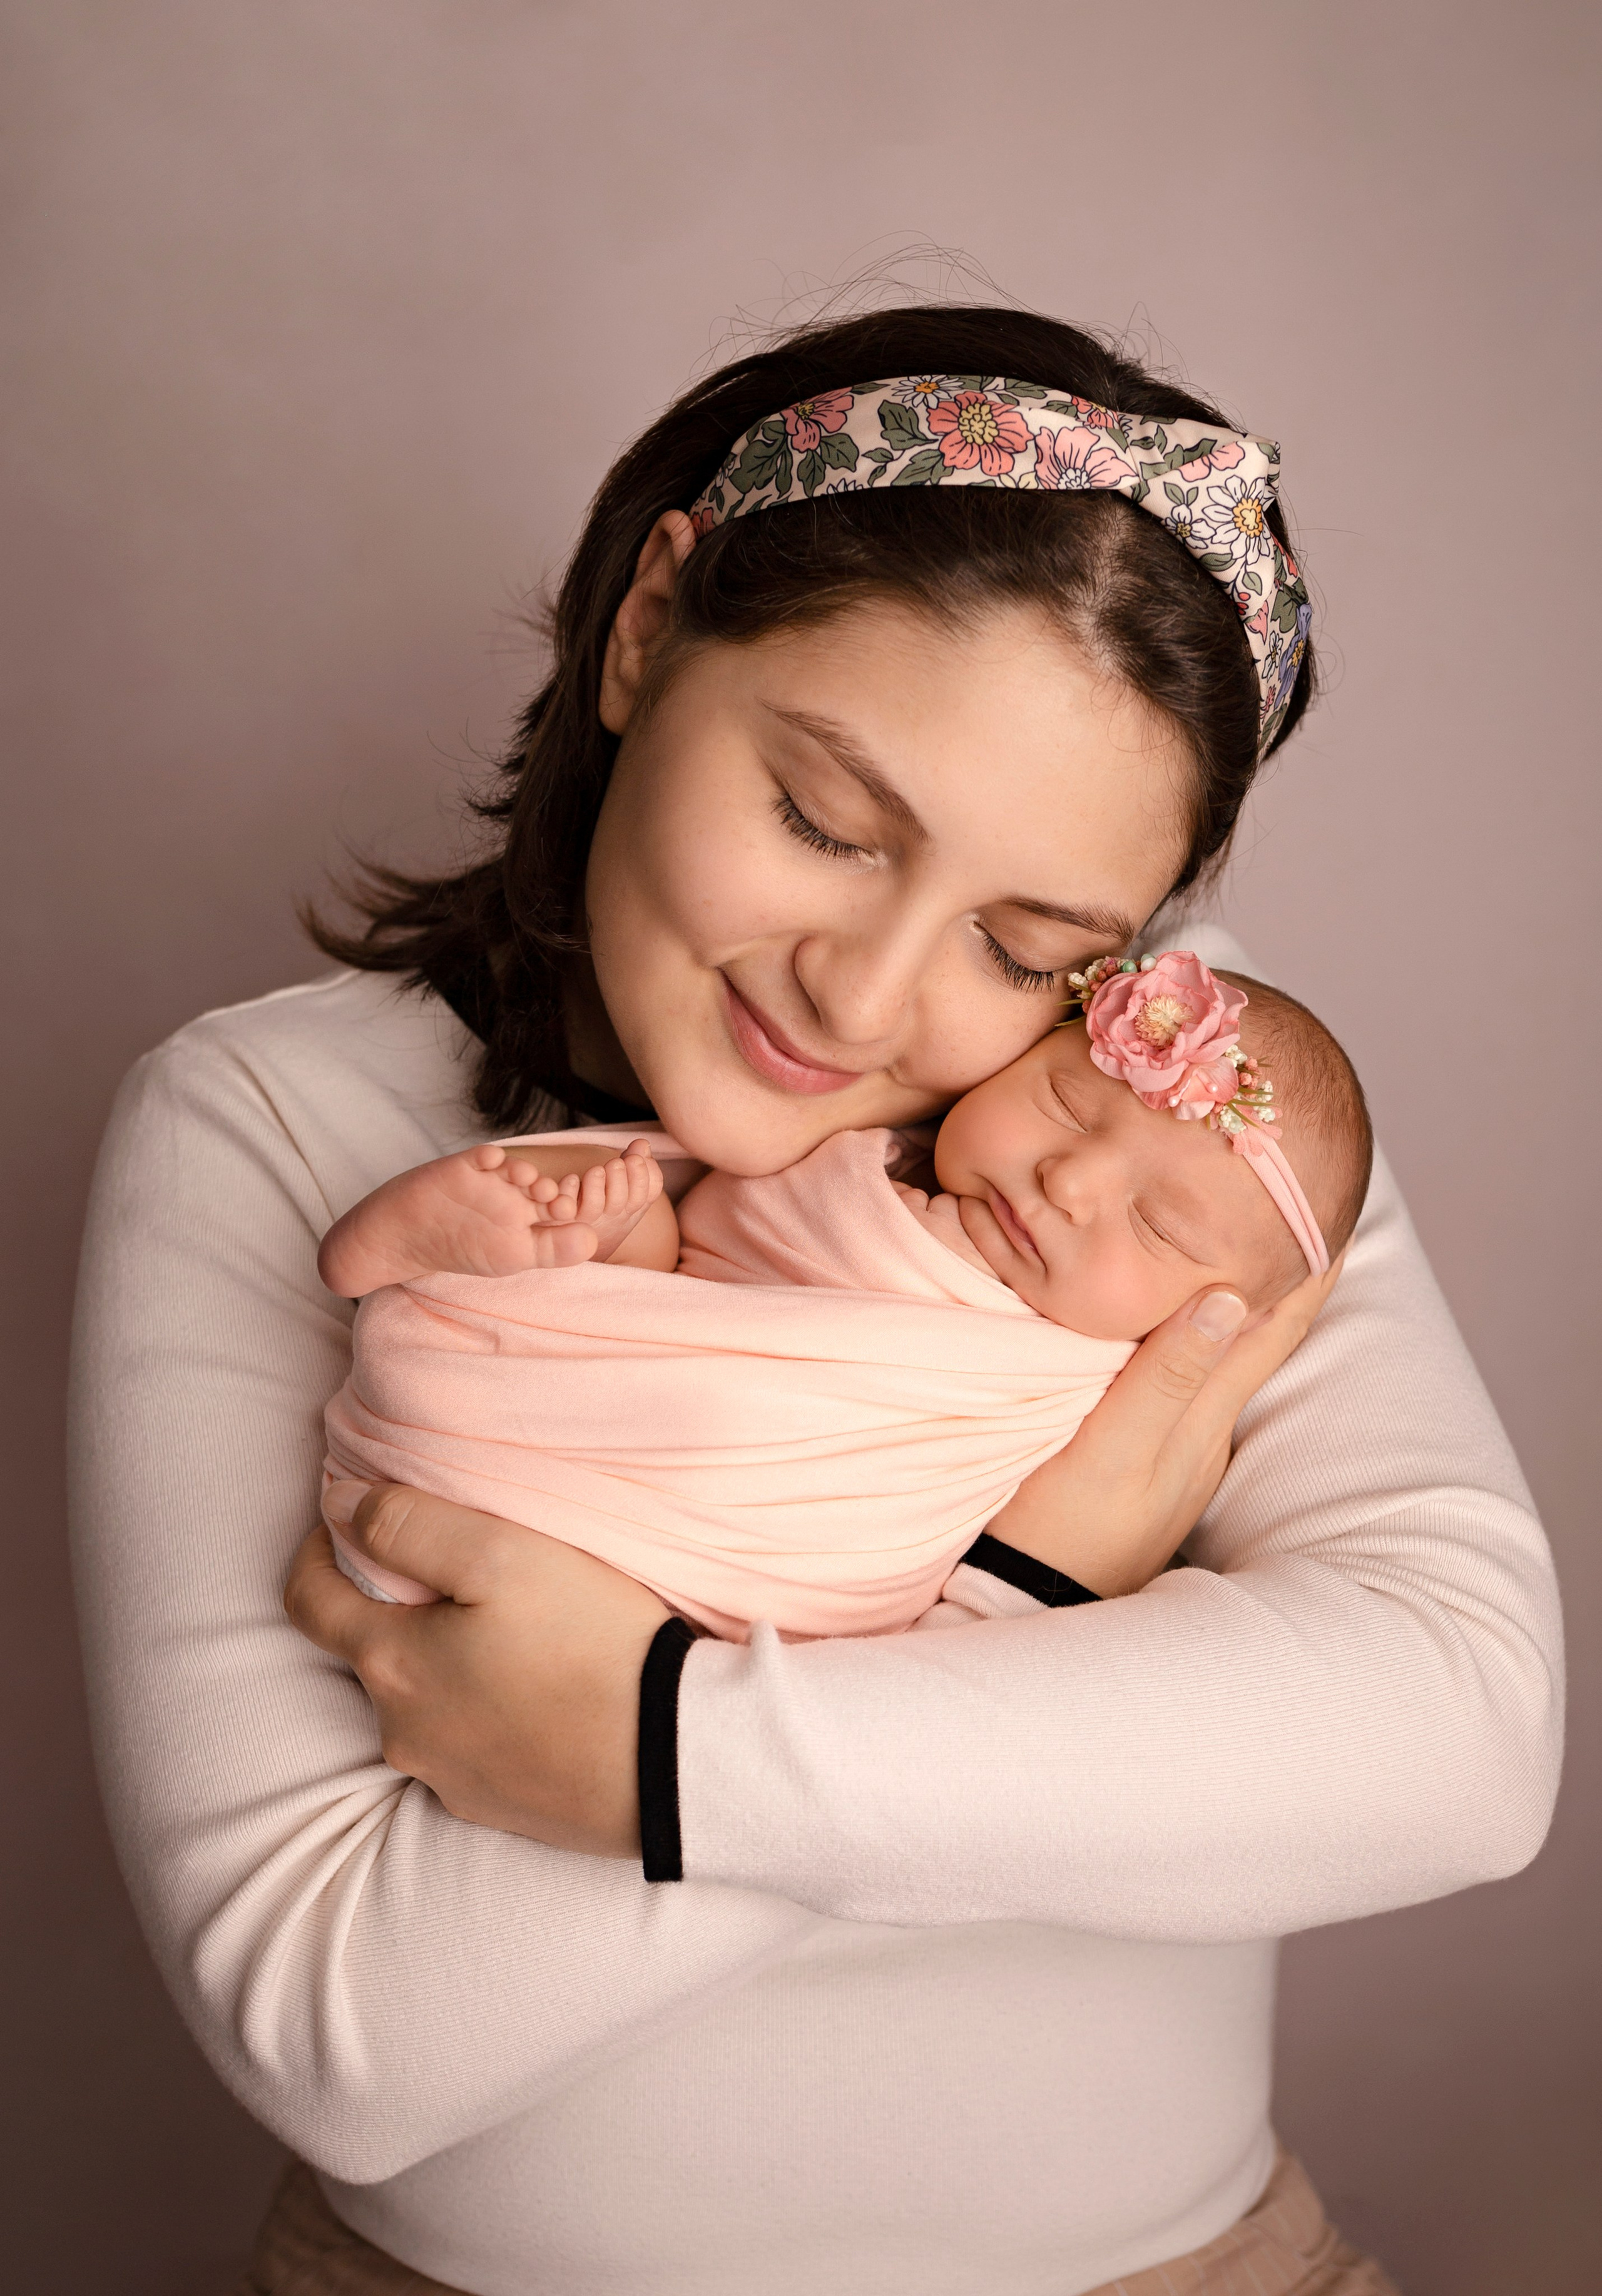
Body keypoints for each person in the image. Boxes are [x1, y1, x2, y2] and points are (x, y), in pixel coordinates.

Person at [68, 306, 1561, 2296]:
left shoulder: (1175, 1125)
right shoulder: (268, 1117)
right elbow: (346, 2030)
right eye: (827, 825)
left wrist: (668, 1744)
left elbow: (1462, 1733)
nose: (863, 1001)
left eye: (1031, 944)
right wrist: (1026, 1594)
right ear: (647, 626)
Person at [315, 956, 1370, 1640]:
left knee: (707, 1408)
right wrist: (637, 1236)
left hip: (748, 1553)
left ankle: (468, 1301)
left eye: (1159, 1226)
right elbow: (707, 1287)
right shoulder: (868, 1147)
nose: (1070, 1180)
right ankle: (491, 1251)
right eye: (1062, 1102)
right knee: (631, 1232)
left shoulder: (1091, 1388)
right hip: (658, 1334)